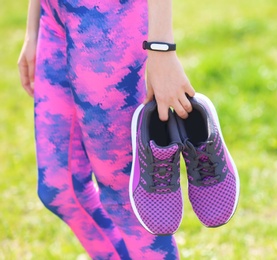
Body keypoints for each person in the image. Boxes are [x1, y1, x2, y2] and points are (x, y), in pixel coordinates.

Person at [17, 0, 195, 258]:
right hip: (52, 18)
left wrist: (162, 49)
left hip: (107, 21)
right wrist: (32, 28)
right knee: (60, 190)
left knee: (126, 200)